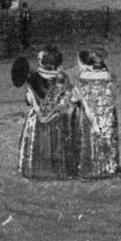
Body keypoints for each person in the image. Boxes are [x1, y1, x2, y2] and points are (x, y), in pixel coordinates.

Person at [12, 45, 82, 179]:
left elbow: (29, 100)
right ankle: (59, 170)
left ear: (41, 61)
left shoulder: (31, 79)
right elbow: (70, 97)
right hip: (58, 121)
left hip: (37, 121)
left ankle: (36, 170)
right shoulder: (62, 78)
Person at [74, 48, 121, 179]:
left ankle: (92, 167)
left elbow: (76, 97)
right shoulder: (109, 77)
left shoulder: (83, 77)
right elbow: (113, 95)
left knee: (91, 138)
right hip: (107, 112)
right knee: (107, 136)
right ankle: (109, 166)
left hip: (89, 114)